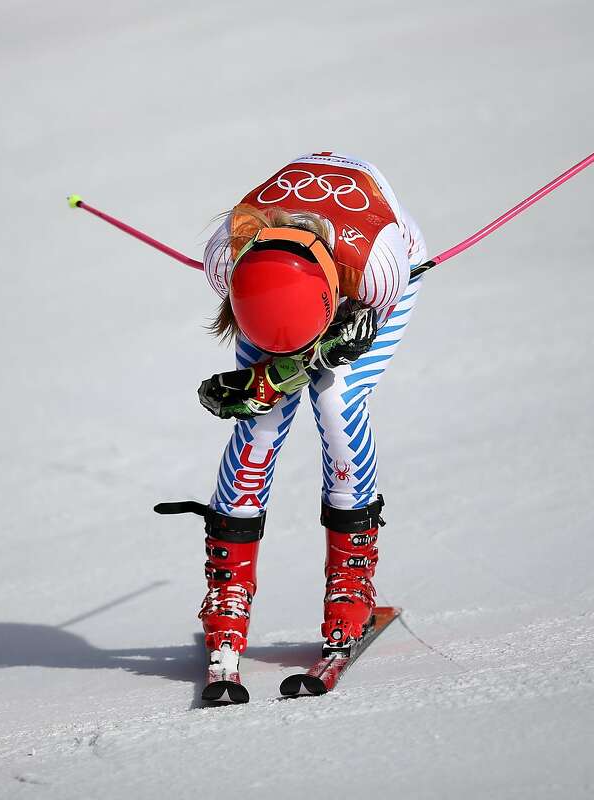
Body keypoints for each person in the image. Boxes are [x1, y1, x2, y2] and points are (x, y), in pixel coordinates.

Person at [176, 152, 427, 668]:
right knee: (261, 421)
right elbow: (274, 347)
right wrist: (268, 379)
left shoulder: (378, 269)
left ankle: (351, 583)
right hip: (284, 278)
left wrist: (283, 371)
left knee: (335, 400)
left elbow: (338, 343)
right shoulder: (225, 256)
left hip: (361, 283)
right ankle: (228, 592)